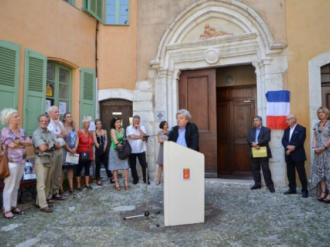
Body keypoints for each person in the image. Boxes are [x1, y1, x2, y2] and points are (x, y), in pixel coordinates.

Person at [1, 108, 32, 219]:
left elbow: (30, 142)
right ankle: (6, 209)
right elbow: (12, 145)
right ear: (9, 119)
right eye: (16, 117)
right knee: (9, 186)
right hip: (11, 162)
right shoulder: (5, 131)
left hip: (21, 161)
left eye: (18, 116)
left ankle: (14, 206)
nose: (18, 118)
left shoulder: (21, 131)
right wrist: (23, 143)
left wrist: (19, 142)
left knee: (16, 185)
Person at [32, 114, 61, 213]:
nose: (44, 122)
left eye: (46, 121)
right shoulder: (36, 133)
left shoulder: (51, 132)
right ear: (39, 121)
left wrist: (47, 143)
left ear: (48, 122)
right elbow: (42, 148)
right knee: (41, 183)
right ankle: (43, 205)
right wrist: (51, 143)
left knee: (48, 182)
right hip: (41, 159)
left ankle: (39, 202)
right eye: (42, 121)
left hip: (50, 158)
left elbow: (58, 145)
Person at [281, 114, 308, 198]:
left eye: (287, 119)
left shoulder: (301, 128)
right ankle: (292, 189)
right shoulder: (286, 130)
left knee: (301, 173)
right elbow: (284, 140)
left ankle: (304, 190)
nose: (286, 121)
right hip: (289, 155)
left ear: (293, 119)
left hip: (298, 155)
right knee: (290, 173)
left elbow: (301, 140)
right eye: (286, 120)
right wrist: (287, 147)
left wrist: (293, 147)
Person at [247, 116, 275, 193]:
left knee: (265, 169)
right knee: (255, 169)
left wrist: (257, 143)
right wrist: (253, 144)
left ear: (261, 122)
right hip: (254, 151)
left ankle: (270, 185)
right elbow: (248, 139)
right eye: (254, 120)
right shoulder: (251, 130)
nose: (255, 122)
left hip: (263, 151)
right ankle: (257, 184)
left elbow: (267, 139)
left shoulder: (266, 130)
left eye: (256, 120)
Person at [47, 106, 67, 200]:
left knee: (58, 172)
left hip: (60, 149)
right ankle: (49, 193)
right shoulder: (47, 122)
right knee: (51, 172)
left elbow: (65, 134)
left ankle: (56, 191)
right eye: (56, 112)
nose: (58, 113)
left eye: (58, 112)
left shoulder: (59, 122)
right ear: (50, 113)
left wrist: (58, 123)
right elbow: (50, 135)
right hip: (52, 150)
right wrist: (60, 135)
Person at [310, 106, 330, 202]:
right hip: (318, 152)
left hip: (327, 151)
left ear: (326, 113)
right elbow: (315, 137)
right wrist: (314, 147)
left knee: (328, 172)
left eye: (322, 112)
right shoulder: (316, 125)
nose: (321, 114)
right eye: (319, 112)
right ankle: (323, 192)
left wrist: (324, 147)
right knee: (320, 172)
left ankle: (329, 193)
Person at [126, 115, 149, 184]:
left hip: (141, 149)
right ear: (133, 121)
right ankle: (135, 179)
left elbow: (144, 137)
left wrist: (139, 129)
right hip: (132, 150)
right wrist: (140, 137)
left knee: (144, 165)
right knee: (133, 166)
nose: (137, 122)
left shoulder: (142, 127)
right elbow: (131, 136)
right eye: (136, 121)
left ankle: (146, 179)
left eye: (138, 121)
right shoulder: (129, 128)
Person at [109, 117, 130, 190]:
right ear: (114, 123)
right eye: (117, 122)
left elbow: (124, 139)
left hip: (122, 150)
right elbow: (116, 142)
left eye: (119, 122)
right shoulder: (112, 130)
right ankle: (116, 182)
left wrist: (127, 138)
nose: (119, 123)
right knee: (115, 167)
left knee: (125, 166)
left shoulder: (123, 130)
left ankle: (126, 182)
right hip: (114, 150)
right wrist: (124, 148)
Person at [60, 113, 79, 194]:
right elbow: (62, 140)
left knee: (70, 169)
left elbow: (77, 137)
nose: (70, 118)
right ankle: (60, 188)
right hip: (64, 151)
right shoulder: (62, 127)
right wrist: (69, 149)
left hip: (73, 150)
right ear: (64, 119)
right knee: (62, 169)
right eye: (68, 117)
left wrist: (75, 147)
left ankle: (71, 187)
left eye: (71, 116)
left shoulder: (74, 127)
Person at [92, 119, 113, 186]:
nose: (99, 125)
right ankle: (98, 179)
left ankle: (110, 177)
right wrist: (100, 148)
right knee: (98, 165)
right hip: (98, 150)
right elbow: (95, 142)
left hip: (104, 150)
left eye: (100, 124)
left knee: (107, 164)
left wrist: (104, 147)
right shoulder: (94, 132)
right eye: (97, 124)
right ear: (95, 125)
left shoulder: (105, 131)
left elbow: (106, 140)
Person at [76, 117, 94, 191]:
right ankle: (78, 185)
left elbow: (91, 144)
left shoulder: (90, 133)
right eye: (87, 123)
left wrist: (93, 155)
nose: (88, 124)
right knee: (79, 169)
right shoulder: (79, 132)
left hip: (89, 153)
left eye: (89, 123)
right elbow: (76, 143)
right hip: (81, 153)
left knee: (87, 169)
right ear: (83, 124)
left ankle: (87, 184)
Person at [156, 121, 168, 185]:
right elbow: (159, 141)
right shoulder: (159, 133)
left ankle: (165, 179)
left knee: (167, 165)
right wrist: (166, 140)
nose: (166, 125)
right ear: (162, 125)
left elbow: (172, 140)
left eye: (167, 124)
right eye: (165, 124)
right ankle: (158, 179)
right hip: (162, 149)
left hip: (168, 150)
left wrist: (164, 141)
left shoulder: (170, 132)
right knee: (160, 165)